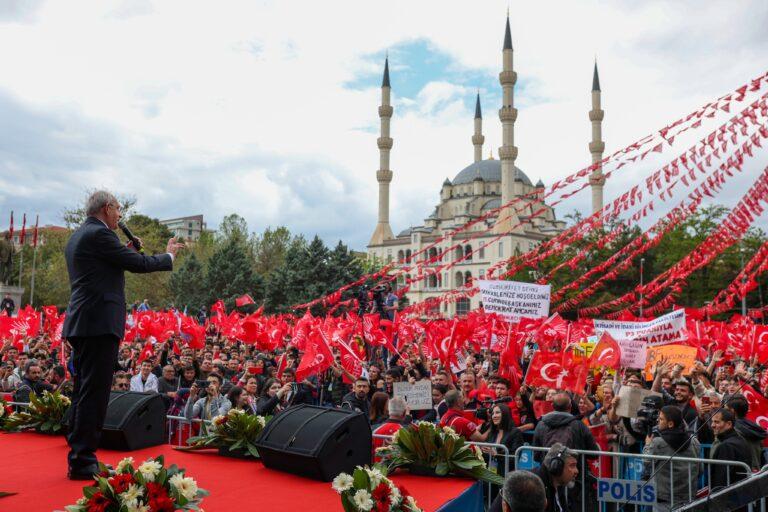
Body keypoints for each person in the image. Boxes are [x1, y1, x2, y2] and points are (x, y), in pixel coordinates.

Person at [62, 190, 182, 480]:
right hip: (98, 323)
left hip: (84, 322)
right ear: (106, 208)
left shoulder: (81, 235)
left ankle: (79, 451)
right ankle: (83, 459)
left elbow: (105, 265)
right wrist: (168, 255)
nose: (119, 215)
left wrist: (126, 248)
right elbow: (139, 264)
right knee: (95, 392)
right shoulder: (100, 236)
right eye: (117, 209)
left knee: (84, 389)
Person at [641, 406, 701, 511]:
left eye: (661, 419)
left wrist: (647, 444)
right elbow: (700, 469)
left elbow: (646, 461)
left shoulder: (658, 442)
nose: (657, 421)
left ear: (670, 424)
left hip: (664, 499)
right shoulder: (694, 442)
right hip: (688, 497)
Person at [533, 392, 599, 453]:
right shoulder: (579, 425)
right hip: (575, 463)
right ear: (570, 406)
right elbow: (593, 453)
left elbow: (535, 454)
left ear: (552, 406)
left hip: (547, 464)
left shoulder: (541, 424)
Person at [710, 409, 752, 490]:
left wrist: (717, 497)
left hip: (730, 496)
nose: (712, 425)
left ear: (729, 424)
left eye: (717, 422)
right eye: (712, 421)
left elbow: (721, 478)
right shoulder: (740, 439)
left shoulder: (726, 446)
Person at [728, 395, 768, 469]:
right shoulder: (754, 427)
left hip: (742, 471)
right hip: (756, 469)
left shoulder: (734, 429)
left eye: (727, 409)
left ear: (732, 411)